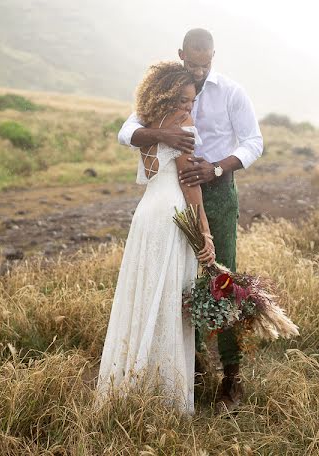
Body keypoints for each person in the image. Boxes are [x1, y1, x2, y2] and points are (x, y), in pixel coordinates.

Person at [117, 28, 264, 413]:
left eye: (206, 63)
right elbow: (127, 131)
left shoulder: (231, 92)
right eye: (193, 63)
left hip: (216, 190)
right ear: (181, 54)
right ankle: (193, 370)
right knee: (181, 281)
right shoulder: (168, 90)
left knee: (222, 277)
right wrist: (165, 133)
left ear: (214, 56)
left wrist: (215, 169)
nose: (199, 71)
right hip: (176, 197)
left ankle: (232, 377)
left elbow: (253, 143)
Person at [95, 62, 216, 416]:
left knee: (144, 295)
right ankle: (165, 398)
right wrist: (204, 232)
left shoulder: (147, 123)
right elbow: (190, 183)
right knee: (167, 301)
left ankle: (130, 385)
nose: (188, 109)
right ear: (168, 95)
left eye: (192, 103)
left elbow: (146, 162)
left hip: (147, 214)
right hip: (172, 216)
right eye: (183, 100)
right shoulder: (182, 128)